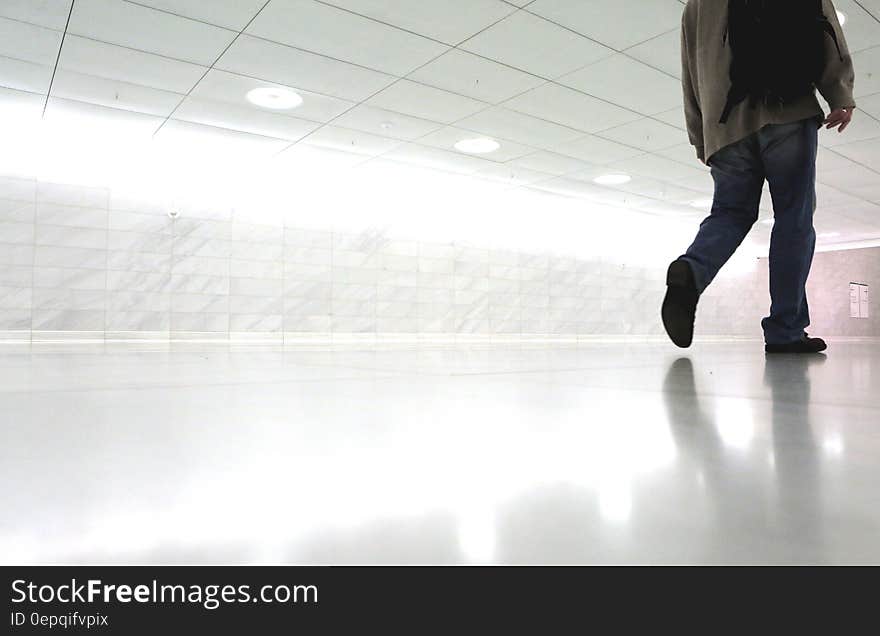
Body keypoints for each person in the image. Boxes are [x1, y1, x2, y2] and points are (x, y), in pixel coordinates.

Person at [663, 0, 856, 354]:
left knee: (730, 213)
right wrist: (840, 92)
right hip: (787, 109)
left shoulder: (695, 5)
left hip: (724, 124)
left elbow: (690, 70)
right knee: (793, 219)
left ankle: (691, 271)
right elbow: (825, 25)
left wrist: (701, 136)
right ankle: (785, 331)